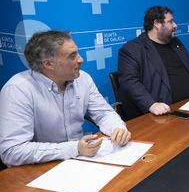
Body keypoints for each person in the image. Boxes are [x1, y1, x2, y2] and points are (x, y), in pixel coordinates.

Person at [0, 31, 131, 167]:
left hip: (82, 160)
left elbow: (104, 113)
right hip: (40, 168)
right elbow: (12, 151)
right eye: (72, 56)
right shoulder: (18, 89)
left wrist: (117, 128)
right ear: (49, 64)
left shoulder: (83, 78)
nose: (81, 59)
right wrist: (74, 149)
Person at [118, 6, 189, 120]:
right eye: (170, 21)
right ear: (157, 24)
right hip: (168, 111)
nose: (175, 25)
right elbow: (130, 82)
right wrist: (151, 104)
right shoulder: (132, 49)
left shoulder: (174, 42)